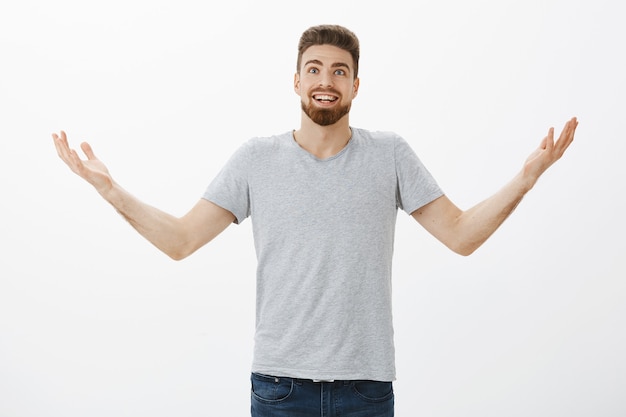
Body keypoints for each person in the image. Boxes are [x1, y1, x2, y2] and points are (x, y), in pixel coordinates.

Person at [53, 24, 577, 417]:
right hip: (279, 388)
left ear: (355, 86)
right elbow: (182, 240)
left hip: (366, 389)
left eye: (339, 71)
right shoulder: (256, 159)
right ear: (297, 80)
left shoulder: (390, 155)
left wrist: (525, 179)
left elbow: (460, 235)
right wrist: (109, 189)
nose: (326, 81)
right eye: (315, 69)